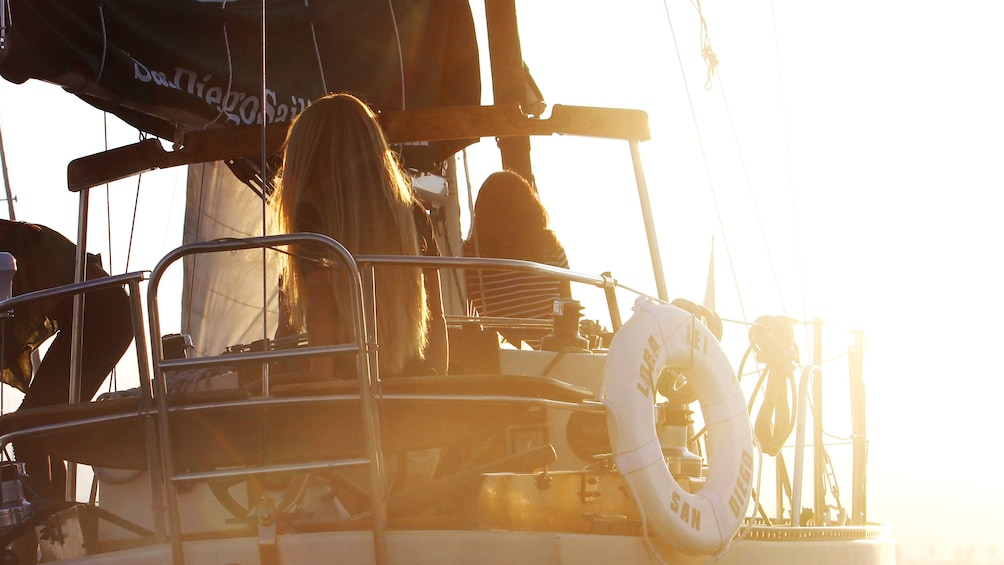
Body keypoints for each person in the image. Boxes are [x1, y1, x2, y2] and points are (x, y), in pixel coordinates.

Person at [273, 93, 447, 378]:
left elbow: (321, 304)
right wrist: (439, 381)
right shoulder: (412, 214)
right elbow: (436, 317)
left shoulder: (311, 214)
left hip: (346, 383)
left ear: (308, 156)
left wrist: (320, 390)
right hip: (411, 379)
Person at [0, 219, 134, 501]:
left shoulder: (11, 246)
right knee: (40, 428)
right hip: (97, 317)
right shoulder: (17, 236)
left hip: (102, 318)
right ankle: (56, 514)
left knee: (31, 428)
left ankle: (52, 518)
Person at [463, 171, 571, 346]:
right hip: (550, 354)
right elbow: (568, 309)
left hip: (500, 357)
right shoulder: (551, 248)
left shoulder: (469, 255)